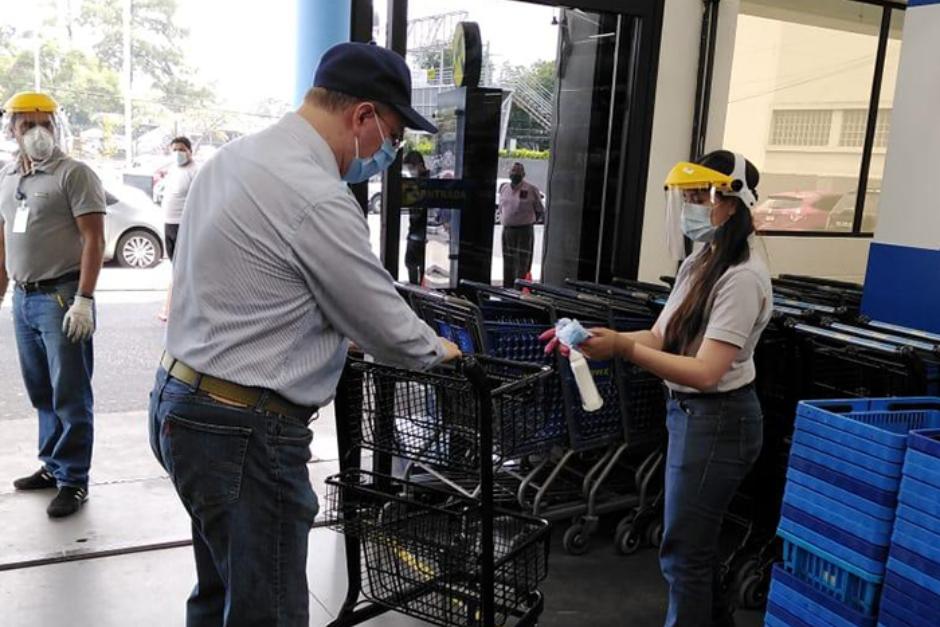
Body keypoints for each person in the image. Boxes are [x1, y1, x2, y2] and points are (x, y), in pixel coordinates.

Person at [148, 42, 461, 626]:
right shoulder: (316, 195)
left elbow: (242, 281)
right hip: (241, 430)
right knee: (268, 612)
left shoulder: (236, 158)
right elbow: (390, 329)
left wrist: (323, 332)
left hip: (182, 402)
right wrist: (440, 349)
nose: (388, 152)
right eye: (391, 136)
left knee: (221, 592)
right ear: (363, 116)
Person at [543, 151, 772, 627]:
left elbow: (707, 372)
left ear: (731, 201)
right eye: (686, 197)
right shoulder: (700, 262)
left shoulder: (743, 277)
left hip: (721, 419)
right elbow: (659, 337)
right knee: (692, 546)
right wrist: (599, 339)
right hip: (691, 417)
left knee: (684, 552)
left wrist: (626, 350)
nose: (691, 207)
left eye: (698, 197)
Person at [0, 91, 106, 518]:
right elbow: (5, 234)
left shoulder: (74, 174)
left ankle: (74, 478)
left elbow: (94, 240)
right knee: (41, 390)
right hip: (24, 299)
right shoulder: (8, 176)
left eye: (44, 124)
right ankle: (52, 465)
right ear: (12, 131)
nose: (37, 134)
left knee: (70, 392)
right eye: (27, 126)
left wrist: (84, 299)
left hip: (61, 297)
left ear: (55, 126)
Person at [158, 136, 199, 321]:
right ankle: (173, 309)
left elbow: (199, 199)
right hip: (169, 223)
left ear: (190, 151)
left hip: (184, 224)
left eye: (181, 149)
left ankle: (175, 310)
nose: (177, 154)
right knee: (176, 267)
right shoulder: (173, 170)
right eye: (174, 150)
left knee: (182, 268)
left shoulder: (195, 171)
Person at [498, 161, 544, 287]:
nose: (515, 174)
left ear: (523, 174)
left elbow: (539, 210)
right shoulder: (504, 188)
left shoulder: (531, 189)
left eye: (518, 171)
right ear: (509, 173)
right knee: (508, 261)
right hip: (507, 230)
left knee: (522, 263)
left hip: (524, 231)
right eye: (513, 171)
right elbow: (502, 209)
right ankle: (507, 289)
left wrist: (528, 221)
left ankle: (520, 291)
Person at [403, 150, 428, 284]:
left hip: (419, 235)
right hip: (416, 234)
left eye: (410, 169)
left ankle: (415, 293)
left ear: (418, 165)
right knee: (411, 264)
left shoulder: (422, 183)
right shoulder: (416, 181)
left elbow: (418, 212)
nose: (410, 173)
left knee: (413, 264)